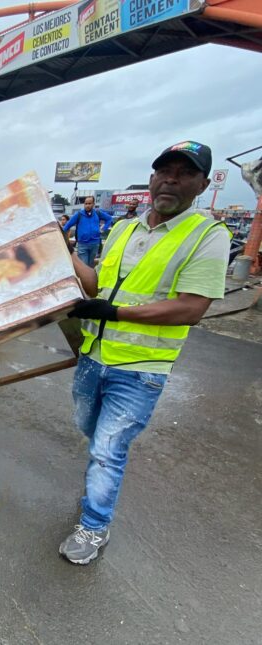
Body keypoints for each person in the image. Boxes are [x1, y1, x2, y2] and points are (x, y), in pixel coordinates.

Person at [59, 141, 231, 565]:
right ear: (151, 178)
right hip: (93, 356)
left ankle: (94, 527)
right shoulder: (123, 228)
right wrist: (62, 252)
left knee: (107, 449)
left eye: (184, 173)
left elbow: (192, 307)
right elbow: (97, 284)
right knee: (89, 429)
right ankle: (99, 482)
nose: (170, 179)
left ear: (202, 184)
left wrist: (115, 312)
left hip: (140, 370)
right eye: (163, 170)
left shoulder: (207, 236)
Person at [63, 196, 112, 266]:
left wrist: (103, 229)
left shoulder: (98, 213)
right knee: (84, 265)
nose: (87, 205)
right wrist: (59, 235)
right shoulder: (79, 214)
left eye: (89, 203)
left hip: (95, 244)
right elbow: (67, 226)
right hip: (82, 244)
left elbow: (109, 219)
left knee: (91, 265)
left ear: (93, 204)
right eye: (86, 203)